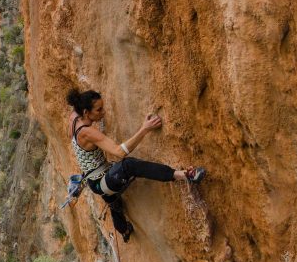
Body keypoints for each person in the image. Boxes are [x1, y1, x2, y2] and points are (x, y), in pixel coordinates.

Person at [66, 89, 206, 243]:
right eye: (99, 110)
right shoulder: (87, 133)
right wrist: (145, 128)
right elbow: (119, 152)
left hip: (98, 178)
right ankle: (182, 175)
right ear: (86, 112)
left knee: (113, 200)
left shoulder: (74, 119)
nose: (103, 113)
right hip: (100, 182)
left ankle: (124, 231)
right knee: (128, 166)